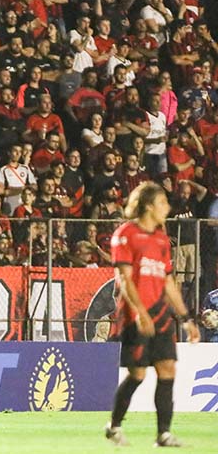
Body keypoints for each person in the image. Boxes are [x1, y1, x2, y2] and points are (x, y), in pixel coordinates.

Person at [105, 181, 200, 448]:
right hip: (135, 314)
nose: (167, 208)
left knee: (167, 369)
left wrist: (186, 318)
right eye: (162, 203)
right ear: (148, 205)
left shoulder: (161, 239)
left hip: (160, 314)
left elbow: (168, 282)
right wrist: (139, 312)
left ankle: (164, 434)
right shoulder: (126, 234)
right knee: (138, 375)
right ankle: (114, 426)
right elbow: (124, 279)